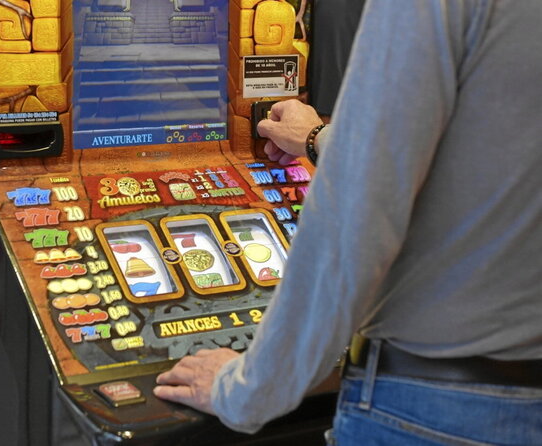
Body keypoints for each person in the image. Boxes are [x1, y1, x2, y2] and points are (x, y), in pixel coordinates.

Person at [153, 1, 542, 444]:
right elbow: (480, 158)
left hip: (434, 404)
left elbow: (362, 201)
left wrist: (246, 390)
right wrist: (319, 138)